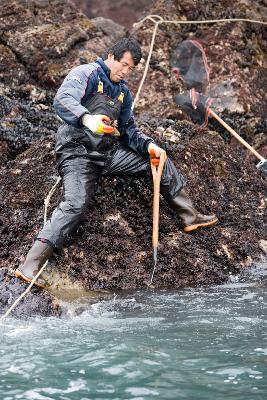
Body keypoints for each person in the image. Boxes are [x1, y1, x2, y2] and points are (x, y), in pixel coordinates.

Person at [15, 37, 218, 288]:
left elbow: (129, 131)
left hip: (108, 155)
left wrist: (149, 145)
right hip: (77, 153)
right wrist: (87, 119)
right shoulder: (86, 73)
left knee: (158, 160)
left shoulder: (123, 93)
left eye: (130, 68)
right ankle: (31, 264)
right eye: (123, 64)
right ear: (110, 56)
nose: (125, 71)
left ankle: (189, 215)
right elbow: (62, 100)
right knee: (75, 204)